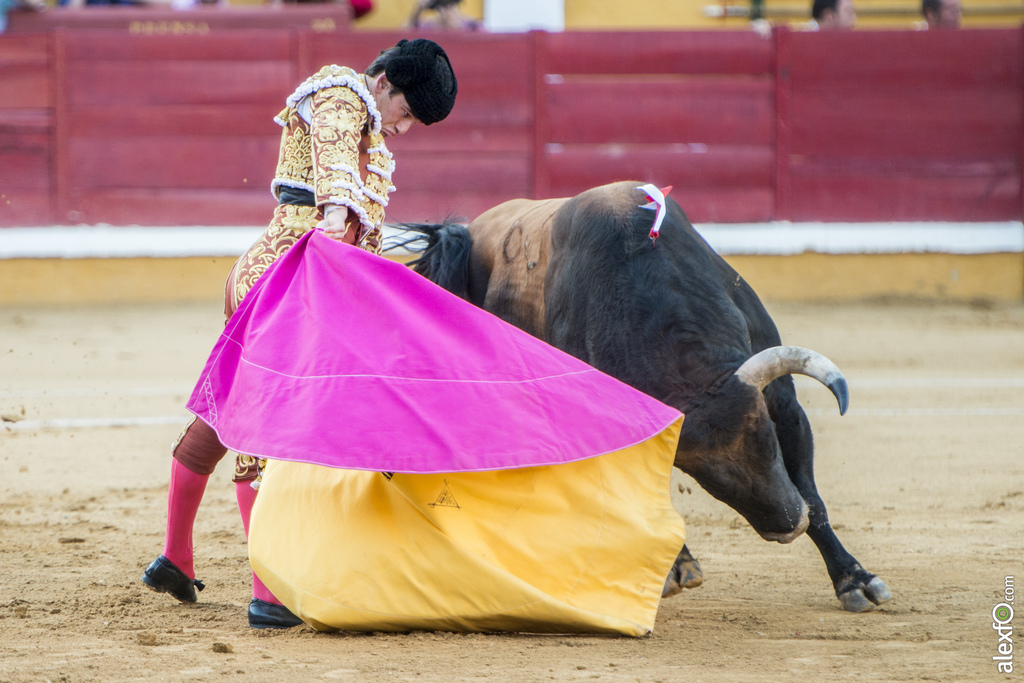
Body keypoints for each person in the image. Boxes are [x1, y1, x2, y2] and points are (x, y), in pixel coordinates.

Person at [140, 37, 458, 630]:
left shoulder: (372, 134)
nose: (403, 129)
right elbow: (335, 181)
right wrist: (337, 215)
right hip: (286, 277)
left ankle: (175, 559)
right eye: (407, 112)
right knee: (268, 427)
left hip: (312, 281)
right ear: (384, 80)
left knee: (226, 412)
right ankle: (270, 592)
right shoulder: (341, 93)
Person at [408, 0, 481, 31]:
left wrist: (457, 28)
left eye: (450, 5)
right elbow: (405, 33)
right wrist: (418, 10)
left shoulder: (472, 25)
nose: (445, 11)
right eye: (442, 6)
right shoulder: (430, 25)